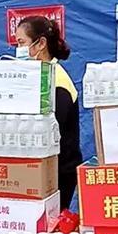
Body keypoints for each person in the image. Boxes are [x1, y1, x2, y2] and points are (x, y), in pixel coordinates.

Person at [15, 16, 83, 210]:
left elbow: (50, 129)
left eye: (21, 43)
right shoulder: (34, 78)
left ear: (41, 43)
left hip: (58, 172)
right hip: (36, 168)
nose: (18, 50)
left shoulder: (58, 81)